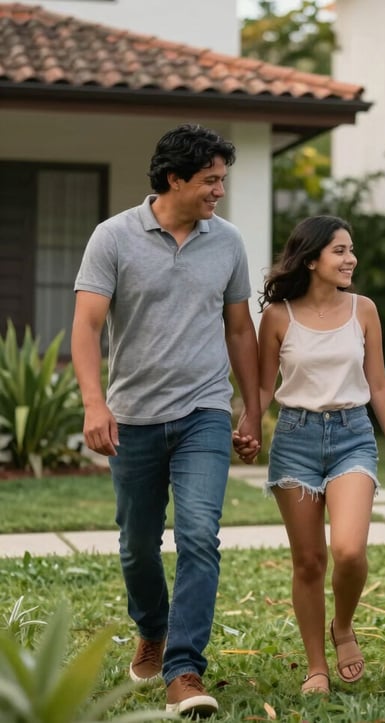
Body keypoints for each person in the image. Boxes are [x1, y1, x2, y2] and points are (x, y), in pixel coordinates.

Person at [71, 123, 261, 717]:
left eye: (223, 180)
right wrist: (94, 403)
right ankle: (151, 628)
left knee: (201, 534)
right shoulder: (114, 238)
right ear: (174, 179)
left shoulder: (226, 241)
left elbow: (238, 328)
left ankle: (184, 668)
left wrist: (253, 405)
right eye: (210, 180)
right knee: (136, 546)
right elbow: (86, 326)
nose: (219, 192)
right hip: (133, 417)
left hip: (204, 409)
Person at [254, 214, 385, 695]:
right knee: (308, 561)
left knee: (348, 550)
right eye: (340, 251)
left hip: (352, 435)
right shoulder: (278, 315)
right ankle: (316, 667)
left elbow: (380, 384)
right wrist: (245, 426)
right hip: (295, 439)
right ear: (311, 258)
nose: (351, 259)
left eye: (351, 250)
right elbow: (264, 387)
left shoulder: (364, 309)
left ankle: (342, 625)